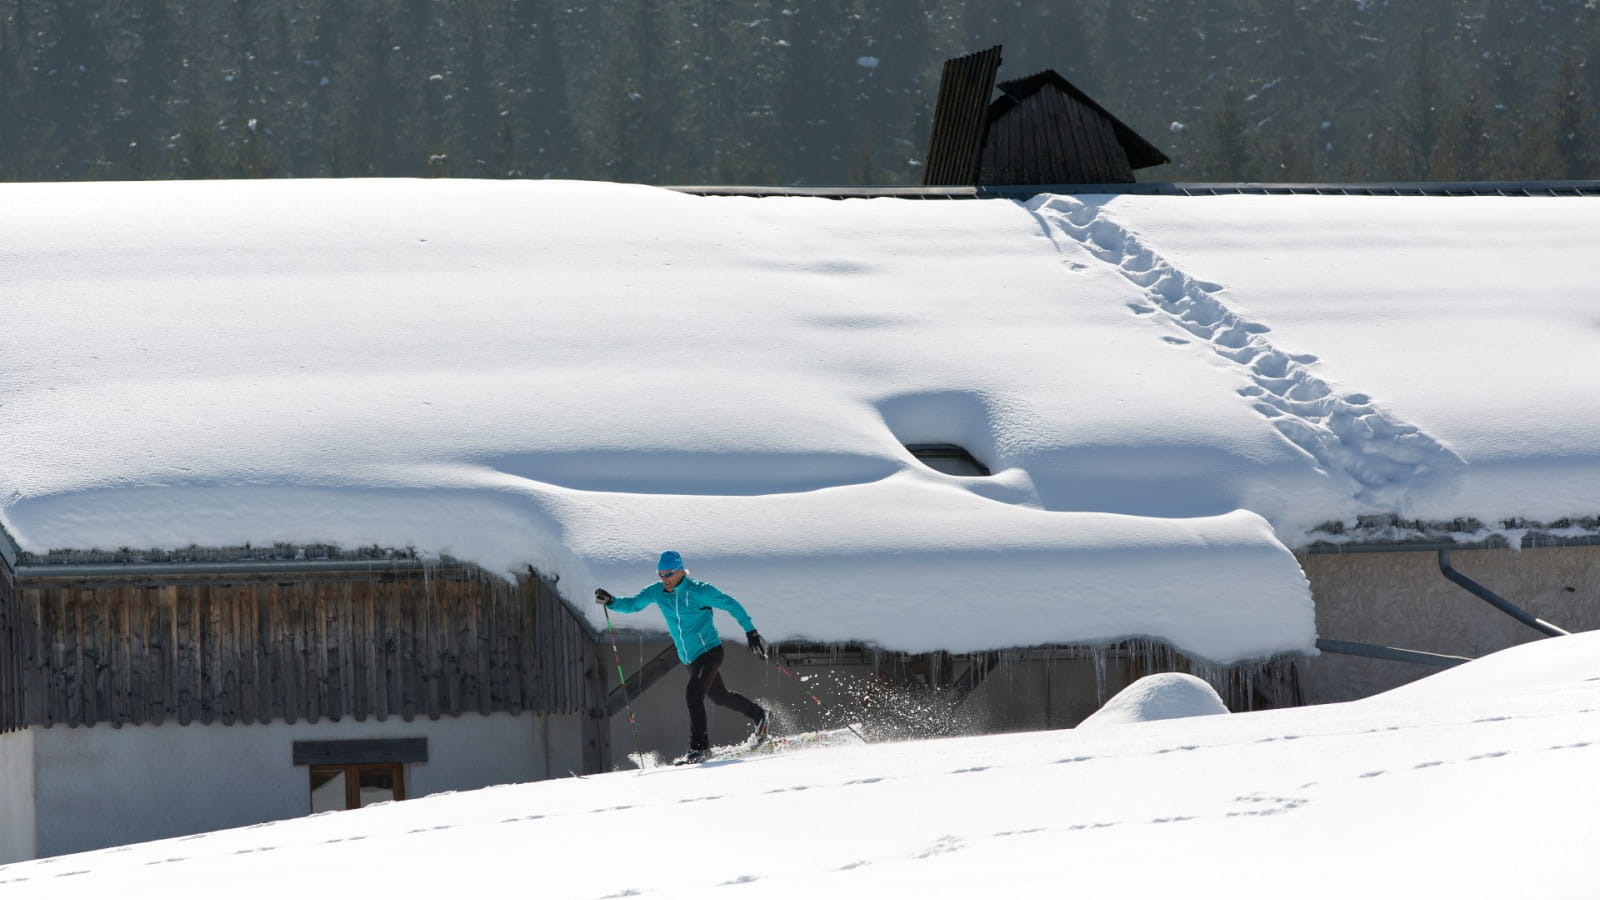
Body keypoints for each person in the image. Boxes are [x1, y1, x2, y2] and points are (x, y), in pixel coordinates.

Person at [596, 550, 770, 763]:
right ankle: (760, 715)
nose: (664, 579)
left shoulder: (699, 591)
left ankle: (699, 749)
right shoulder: (657, 591)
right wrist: (612, 601)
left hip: (709, 653)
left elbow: (730, 604)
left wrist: (751, 632)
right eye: (660, 574)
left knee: (693, 696)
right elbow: (633, 604)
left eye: (668, 574)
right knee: (720, 696)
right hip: (690, 659)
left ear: (680, 571)